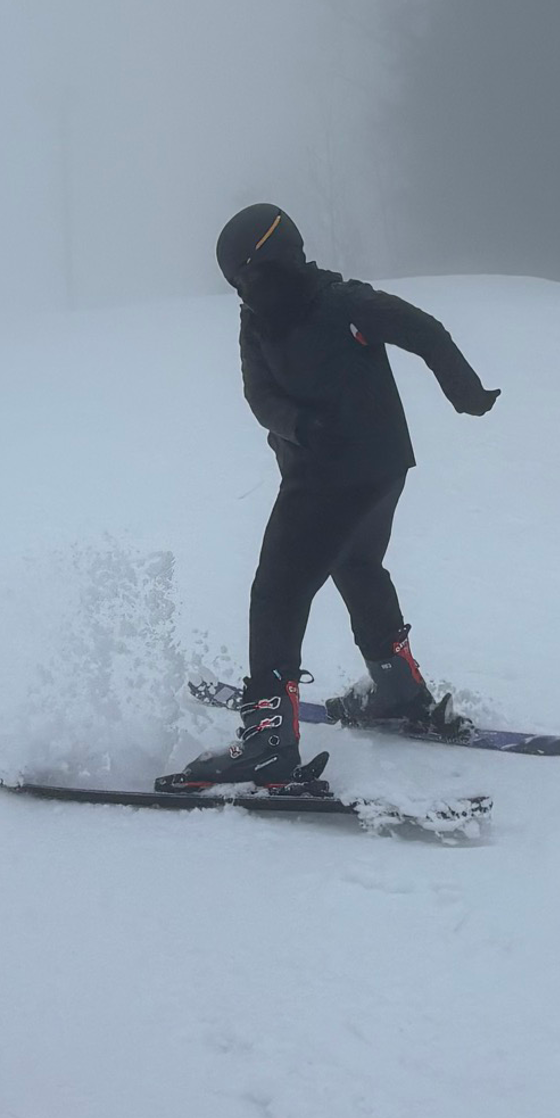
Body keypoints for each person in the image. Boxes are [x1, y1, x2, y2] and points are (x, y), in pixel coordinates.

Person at [166, 204, 499, 789]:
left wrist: (465, 392)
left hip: (333, 478)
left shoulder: (342, 302)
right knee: (357, 563)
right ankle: (397, 689)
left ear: (273, 258)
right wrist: (300, 425)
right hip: (374, 468)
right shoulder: (258, 320)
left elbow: (424, 331)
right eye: (237, 281)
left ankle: (269, 743)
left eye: (248, 275)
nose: (245, 289)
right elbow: (259, 392)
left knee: (276, 595)